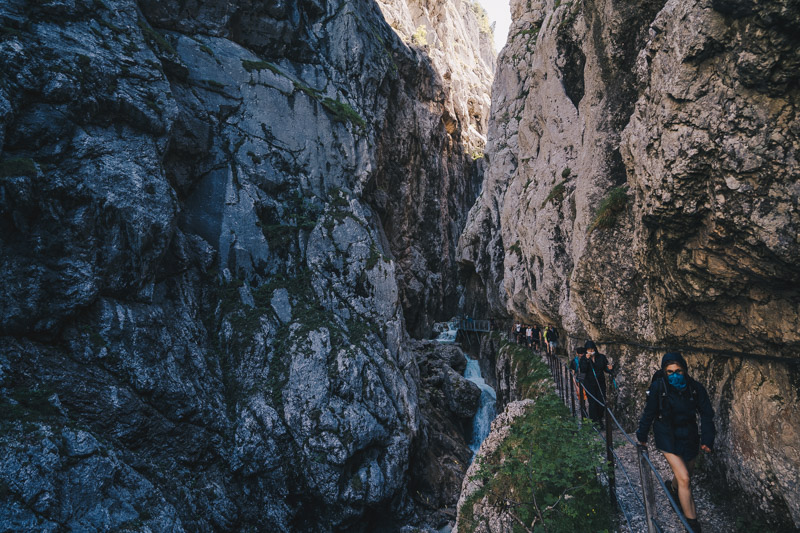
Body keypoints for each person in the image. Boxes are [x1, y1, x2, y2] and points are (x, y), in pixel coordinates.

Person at [636, 352, 715, 533]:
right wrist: (642, 436)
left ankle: (672, 488)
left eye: (678, 371)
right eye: (670, 371)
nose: (674, 375)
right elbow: (649, 413)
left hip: (689, 435)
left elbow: (706, 414)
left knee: (687, 473)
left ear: (685, 370)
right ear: (664, 372)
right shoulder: (659, 387)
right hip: (667, 434)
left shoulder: (695, 388)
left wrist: (708, 439)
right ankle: (692, 525)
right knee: (685, 479)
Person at [578, 340, 613, 424]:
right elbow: (583, 370)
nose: (591, 351)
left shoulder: (601, 357)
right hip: (589, 383)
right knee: (592, 403)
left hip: (600, 383)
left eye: (592, 349)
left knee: (601, 401)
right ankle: (594, 421)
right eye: (589, 349)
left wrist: (609, 369)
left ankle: (600, 418)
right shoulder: (583, 359)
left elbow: (605, 368)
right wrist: (586, 360)